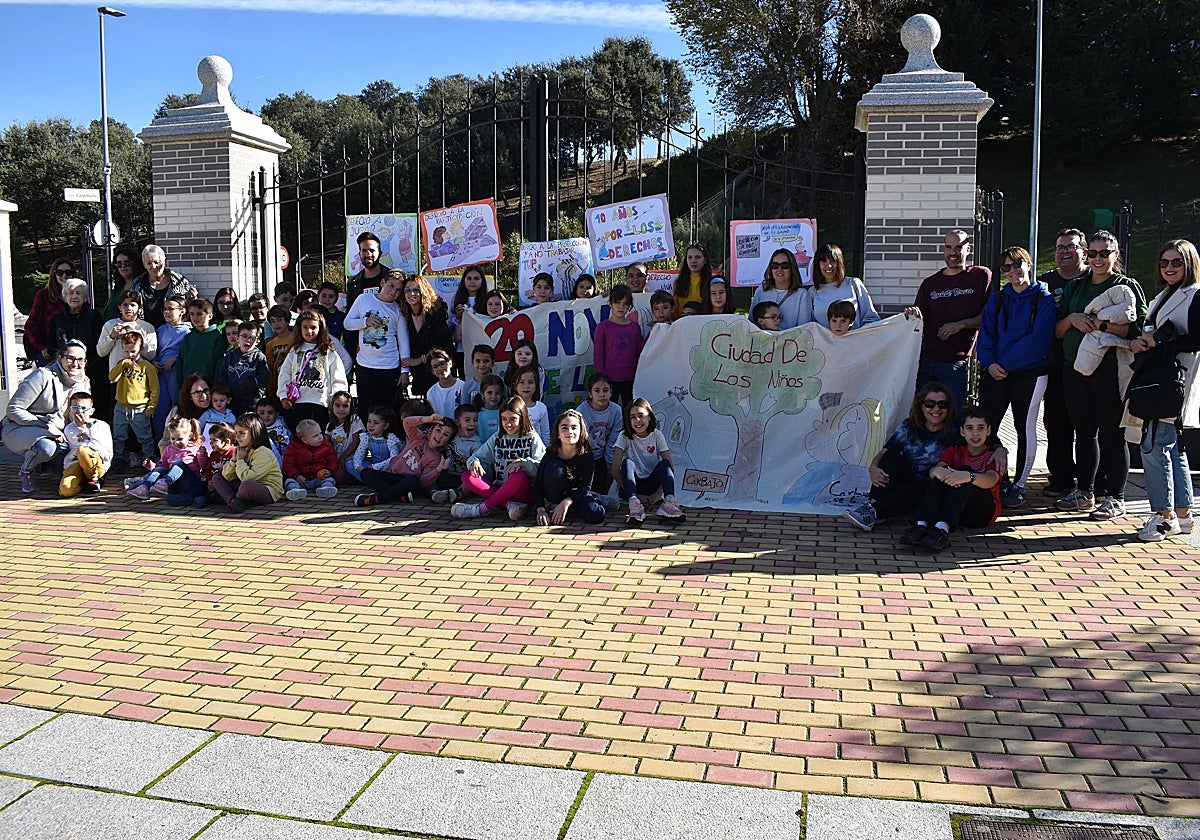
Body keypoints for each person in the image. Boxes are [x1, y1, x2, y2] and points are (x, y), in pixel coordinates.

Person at [1054, 230, 1147, 520]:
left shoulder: (1125, 286)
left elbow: (1137, 329)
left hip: (1109, 372)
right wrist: (1072, 319)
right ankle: (1085, 492)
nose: (1097, 259)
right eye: (1092, 253)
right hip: (1074, 370)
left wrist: (1099, 325)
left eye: (1104, 253)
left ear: (1115, 255)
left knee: (1112, 434)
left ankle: (1115, 497)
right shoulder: (1076, 287)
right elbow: (1057, 331)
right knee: (1083, 433)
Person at [843, 382, 1007, 532]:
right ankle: (872, 505)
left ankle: (875, 513)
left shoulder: (957, 429)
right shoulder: (910, 425)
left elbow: (982, 438)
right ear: (921, 406)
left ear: (949, 407)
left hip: (936, 485)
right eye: (930, 404)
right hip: (910, 476)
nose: (936, 409)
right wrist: (873, 467)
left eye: (943, 404)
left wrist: (1000, 450)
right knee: (893, 457)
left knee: (914, 490)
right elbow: (885, 452)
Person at [1129, 239, 1200, 541]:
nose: (1170, 267)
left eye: (1177, 262)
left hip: (1174, 379)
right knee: (1171, 445)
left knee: (1154, 445)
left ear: (1189, 264)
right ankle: (1182, 514)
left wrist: (1161, 342)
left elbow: (1196, 339)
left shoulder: (1195, 295)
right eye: (1165, 262)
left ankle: (1163, 515)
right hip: (1161, 376)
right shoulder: (1165, 295)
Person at [976, 246, 1056, 509]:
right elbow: (985, 335)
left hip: (1029, 374)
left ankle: (1019, 485)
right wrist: (989, 364)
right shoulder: (997, 300)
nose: (1013, 271)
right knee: (987, 428)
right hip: (996, 373)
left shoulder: (1043, 299)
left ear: (1029, 264)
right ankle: (1000, 478)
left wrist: (1004, 364)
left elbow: (1040, 340)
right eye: (1007, 267)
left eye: (1017, 264)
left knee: (1025, 428)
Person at [904, 230, 993, 410]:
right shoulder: (930, 284)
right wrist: (912, 315)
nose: (953, 252)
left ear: (968, 249)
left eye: (958, 247)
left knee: (954, 417)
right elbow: (919, 321)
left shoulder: (980, 277)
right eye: (948, 247)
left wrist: (960, 325)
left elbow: (990, 316)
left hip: (954, 364)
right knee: (921, 416)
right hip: (924, 361)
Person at [899, 406, 1001, 553]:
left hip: (982, 514)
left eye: (981, 428)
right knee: (942, 475)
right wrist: (940, 473)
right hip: (958, 513)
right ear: (962, 431)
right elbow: (936, 470)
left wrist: (968, 477)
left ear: (988, 431)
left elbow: (991, 480)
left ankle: (942, 530)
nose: (975, 433)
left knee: (965, 471)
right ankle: (921, 524)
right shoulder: (955, 451)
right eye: (970, 428)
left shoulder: (992, 454)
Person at [1037, 228, 1090, 495]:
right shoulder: (1045, 283)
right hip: (1056, 365)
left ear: (1084, 251)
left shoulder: (1096, 278)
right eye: (1060, 247)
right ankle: (1061, 478)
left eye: (1071, 247)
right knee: (1057, 424)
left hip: (1093, 366)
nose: (1065, 252)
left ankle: (1089, 480)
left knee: (1088, 425)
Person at [6, 341, 92, 493]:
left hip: (60, 434)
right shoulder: (42, 375)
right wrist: (45, 426)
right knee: (47, 448)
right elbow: (13, 409)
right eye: (70, 358)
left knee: (77, 467)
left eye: (80, 360)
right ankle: (27, 470)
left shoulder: (84, 382)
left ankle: (42, 464)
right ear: (60, 357)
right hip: (22, 427)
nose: (75, 364)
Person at [452, 395, 546, 521]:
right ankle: (508, 505)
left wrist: (523, 463)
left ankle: (483, 508)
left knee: (518, 474)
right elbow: (477, 457)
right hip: (501, 489)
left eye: (513, 419)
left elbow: (542, 466)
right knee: (467, 476)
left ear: (522, 418)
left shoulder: (532, 437)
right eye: (504, 419)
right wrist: (475, 462)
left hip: (525, 493)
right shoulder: (498, 437)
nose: (508, 424)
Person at [345, 270, 411, 423]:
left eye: (398, 289)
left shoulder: (398, 309)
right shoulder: (363, 299)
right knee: (365, 408)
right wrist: (364, 322)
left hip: (390, 367)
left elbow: (403, 341)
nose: (393, 291)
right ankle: (364, 440)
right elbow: (347, 323)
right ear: (382, 283)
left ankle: (387, 440)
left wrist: (405, 371)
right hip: (365, 365)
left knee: (387, 410)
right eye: (390, 286)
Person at [612, 397, 686, 526]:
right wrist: (636, 495)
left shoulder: (657, 435)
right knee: (627, 463)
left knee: (665, 464)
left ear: (650, 417)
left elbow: (669, 468)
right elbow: (614, 470)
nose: (637, 421)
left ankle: (669, 503)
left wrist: (657, 494)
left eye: (641, 415)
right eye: (632, 417)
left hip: (651, 485)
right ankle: (634, 506)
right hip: (631, 487)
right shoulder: (624, 436)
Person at [355, 412, 455, 507]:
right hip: (391, 475)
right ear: (431, 429)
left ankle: (376, 498)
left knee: (414, 481)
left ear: (448, 441)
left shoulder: (435, 458)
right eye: (438, 430)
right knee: (366, 472)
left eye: (446, 435)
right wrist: (427, 419)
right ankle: (400, 496)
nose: (440, 436)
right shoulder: (418, 438)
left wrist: (438, 469)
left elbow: (424, 481)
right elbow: (407, 422)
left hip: (406, 481)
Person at [276, 309, 348, 429]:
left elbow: (338, 377)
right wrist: (283, 396)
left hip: (321, 402)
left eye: (313, 327)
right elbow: (285, 374)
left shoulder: (328, 351)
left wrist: (335, 400)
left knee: (319, 435)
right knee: (300, 436)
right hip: (298, 402)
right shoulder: (295, 350)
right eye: (305, 327)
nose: (309, 331)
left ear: (321, 328)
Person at [534, 409, 606, 526]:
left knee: (596, 515)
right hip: (556, 494)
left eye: (574, 427)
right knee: (555, 468)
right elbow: (538, 485)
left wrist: (566, 503)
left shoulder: (587, 454)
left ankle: (598, 498)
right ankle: (556, 505)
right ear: (558, 434)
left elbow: (585, 487)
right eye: (564, 428)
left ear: (581, 431)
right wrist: (540, 509)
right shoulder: (550, 454)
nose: (569, 431)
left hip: (577, 494)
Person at [51, 278, 108, 421]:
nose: (74, 296)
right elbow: (52, 343)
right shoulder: (57, 318)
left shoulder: (94, 316)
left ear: (85, 297)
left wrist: (88, 363)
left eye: (79, 293)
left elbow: (98, 344)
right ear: (64, 296)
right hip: (64, 369)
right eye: (70, 293)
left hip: (90, 369)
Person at [126, 416, 209, 506]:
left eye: (180, 439)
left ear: (190, 436)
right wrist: (151, 466)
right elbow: (163, 466)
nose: (176, 442)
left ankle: (164, 483)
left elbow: (203, 466)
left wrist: (202, 455)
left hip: (189, 483)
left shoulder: (195, 448)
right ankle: (144, 488)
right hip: (174, 485)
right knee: (161, 468)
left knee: (178, 463)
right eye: (173, 438)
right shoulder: (169, 449)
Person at [213, 413, 284, 513]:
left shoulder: (263, 452)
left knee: (246, 486)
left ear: (254, 433)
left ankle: (231, 499)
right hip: (245, 485)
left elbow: (248, 478)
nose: (237, 437)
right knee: (217, 477)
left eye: (242, 433)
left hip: (268, 490)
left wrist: (241, 460)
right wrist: (233, 460)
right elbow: (227, 476)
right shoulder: (242, 449)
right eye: (236, 433)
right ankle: (233, 501)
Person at [108, 331, 159, 470]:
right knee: (118, 435)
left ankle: (148, 459)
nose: (130, 354)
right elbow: (112, 377)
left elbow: (154, 389)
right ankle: (117, 458)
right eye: (126, 351)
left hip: (140, 408)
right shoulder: (122, 364)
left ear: (141, 349)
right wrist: (122, 365)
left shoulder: (147, 367)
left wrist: (151, 407)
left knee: (145, 436)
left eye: (133, 351)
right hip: (121, 407)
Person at [400, 275, 453, 397]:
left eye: (416, 289)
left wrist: (418, 360)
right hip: (417, 376)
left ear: (423, 291)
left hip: (437, 372)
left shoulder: (436, 313)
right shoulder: (404, 315)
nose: (411, 293)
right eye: (407, 290)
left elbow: (443, 346)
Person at [592, 284, 644, 406]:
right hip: (609, 379)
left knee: (629, 408)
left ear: (629, 306)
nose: (621, 307)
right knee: (609, 409)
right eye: (617, 302)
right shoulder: (602, 327)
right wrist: (600, 379)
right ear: (610, 303)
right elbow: (598, 355)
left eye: (625, 303)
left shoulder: (634, 327)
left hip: (631, 377)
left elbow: (640, 352)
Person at [807, 244, 880, 330]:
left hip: (854, 342)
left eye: (832, 261)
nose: (829, 265)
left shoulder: (854, 284)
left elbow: (871, 319)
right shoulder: (813, 292)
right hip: (823, 343)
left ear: (839, 263)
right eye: (824, 262)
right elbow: (810, 326)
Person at [58, 391, 112, 497]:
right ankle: (83, 482)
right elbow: (79, 447)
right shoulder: (69, 429)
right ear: (69, 411)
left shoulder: (101, 426)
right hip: (76, 464)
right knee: (66, 490)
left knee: (85, 450)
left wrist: (88, 428)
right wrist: (89, 439)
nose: (79, 412)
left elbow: (98, 449)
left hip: (97, 464)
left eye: (83, 409)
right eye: (75, 408)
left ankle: (93, 480)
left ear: (91, 411)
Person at [130, 245, 197, 328]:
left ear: (165, 262)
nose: (153, 266)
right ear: (144, 265)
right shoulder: (137, 284)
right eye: (149, 263)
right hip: (145, 332)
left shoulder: (179, 282)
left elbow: (190, 309)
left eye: (156, 262)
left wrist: (193, 299)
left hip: (174, 333)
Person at [154, 295, 192, 439]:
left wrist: (175, 359)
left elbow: (189, 351)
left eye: (171, 309)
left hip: (176, 373)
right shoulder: (160, 330)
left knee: (178, 406)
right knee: (160, 408)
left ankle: (181, 439)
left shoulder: (188, 330)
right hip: (161, 373)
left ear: (182, 310)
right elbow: (155, 350)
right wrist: (154, 362)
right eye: (164, 309)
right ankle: (161, 441)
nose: (167, 312)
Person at [579, 373, 623, 496]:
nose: (602, 394)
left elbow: (614, 438)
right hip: (587, 455)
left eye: (605, 390)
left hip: (605, 456)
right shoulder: (581, 411)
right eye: (597, 390)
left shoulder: (616, 410)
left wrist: (610, 466)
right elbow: (583, 440)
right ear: (590, 393)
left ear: (611, 392)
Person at [432, 403, 482, 504]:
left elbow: (476, 463)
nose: (472, 424)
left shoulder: (476, 443)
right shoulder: (451, 437)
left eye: (475, 420)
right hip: (449, 475)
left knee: (471, 481)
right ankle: (436, 493)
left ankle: (458, 494)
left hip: (463, 477)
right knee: (433, 479)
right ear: (458, 422)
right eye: (467, 420)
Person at [25, 257, 71, 367]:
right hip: (50, 353)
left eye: (68, 272)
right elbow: (31, 325)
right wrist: (42, 347)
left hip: (72, 352)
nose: (64, 276)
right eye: (60, 273)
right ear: (54, 275)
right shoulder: (43, 295)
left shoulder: (79, 295)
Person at [218, 321, 270, 415]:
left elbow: (265, 377)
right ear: (237, 338)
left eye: (252, 337)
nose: (248, 340)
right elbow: (223, 375)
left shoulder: (259, 357)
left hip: (251, 403)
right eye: (244, 336)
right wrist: (226, 390)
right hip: (233, 401)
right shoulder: (230, 356)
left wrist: (251, 383)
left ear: (257, 341)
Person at [750, 248, 810, 330]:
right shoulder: (761, 290)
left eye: (784, 266)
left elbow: (804, 329)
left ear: (792, 268)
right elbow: (751, 322)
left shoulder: (802, 295)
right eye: (775, 266)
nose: (779, 269)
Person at [282, 418, 340, 501]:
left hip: (319, 478)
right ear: (305, 440)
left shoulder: (326, 446)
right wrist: (296, 475)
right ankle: (296, 491)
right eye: (315, 436)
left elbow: (333, 460)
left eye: (320, 433)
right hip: (301, 479)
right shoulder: (293, 448)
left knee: (330, 480)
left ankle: (326, 489)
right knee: (289, 481)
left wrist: (329, 471)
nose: (320, 437)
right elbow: (288, 464)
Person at [177, 299, 225, 382]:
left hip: (208, 385)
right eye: (192, 314)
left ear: (210, 316)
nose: (195, 317)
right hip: (188, 384)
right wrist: (181, 384)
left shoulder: (216, 337)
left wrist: (216, 386)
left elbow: (219, 364)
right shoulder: (188, 337)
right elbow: (181, 361)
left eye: (199, 314)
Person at [353, 405, 403, 478]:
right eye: (369, 421)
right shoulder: (366, 437)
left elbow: (394, 458)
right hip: (372, 466)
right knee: (349, 463)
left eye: (376, 423)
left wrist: (375, 467)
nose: (371, 425)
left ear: (385, 426)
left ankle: (368, 479)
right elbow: (359, 454)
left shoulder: (390, 439)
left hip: (386, 468)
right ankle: (368, 478)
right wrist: (358, 467)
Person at [325, 391, 364, 484]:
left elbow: (356, 442)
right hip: (336, 458)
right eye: (337, 405)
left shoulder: (354, 420)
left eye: (345, 406)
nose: (341, 409)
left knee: (347, 469)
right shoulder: (330, 424)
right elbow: (324, 442)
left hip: (351, 458)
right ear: (332, 407)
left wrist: (343, 457)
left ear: (351, 407)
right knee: (337, 478)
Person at [511, 366, 550, 446]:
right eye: (522, 382)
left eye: (531, 382)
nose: (526, 386)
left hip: (536, 452)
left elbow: (545, 433)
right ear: (515, 386)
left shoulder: (541, 408)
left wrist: (546, 452)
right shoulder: (509, 406)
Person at [673, 243, 713, 319]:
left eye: (697, 257)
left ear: (705, 260)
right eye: (690, 257)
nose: (693, 261)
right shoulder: (678, 283)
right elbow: (675, 310)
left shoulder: (712, 282)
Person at [103, 247, 142, 321]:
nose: (123, 266)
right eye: (119, 264)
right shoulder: (118, 288)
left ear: (134, 263)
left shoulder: (143, 285)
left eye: (126, 263)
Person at [425, 348, 466, 418]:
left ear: (450, 363)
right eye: (435, 367)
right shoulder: (431, 392)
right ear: (432, 371)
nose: (440, 369)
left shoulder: (463, 386)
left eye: (442, 364)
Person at [475, 374, 505, 442]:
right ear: (482, 394)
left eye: (497, 393)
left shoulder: (504, 413)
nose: (493, 396)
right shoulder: (477, 414)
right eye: (489, 393)